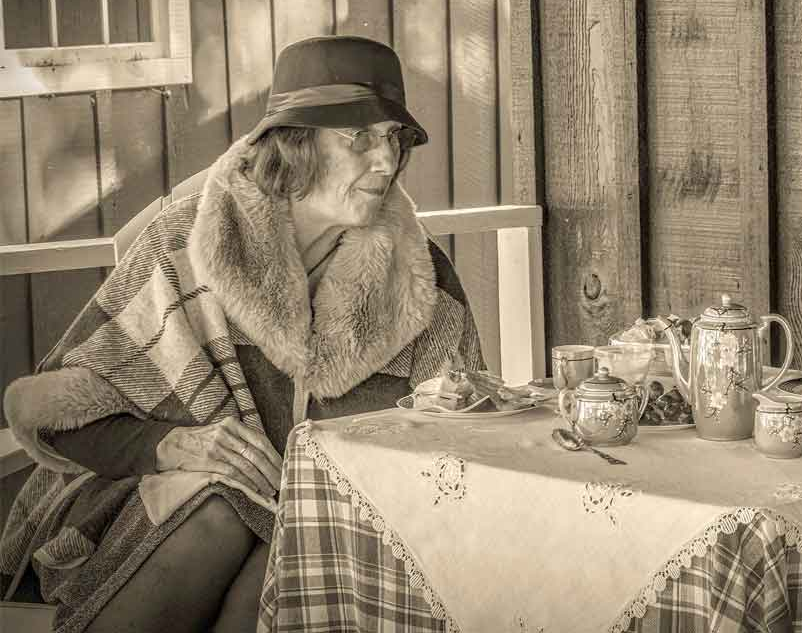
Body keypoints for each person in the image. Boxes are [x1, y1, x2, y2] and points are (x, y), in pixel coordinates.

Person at [0, 35, 487, 632]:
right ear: (296, 141)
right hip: (167, 511)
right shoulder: (188, 242)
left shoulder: (421, 282)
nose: (385, 161)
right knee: (225, 509)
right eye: (359, 138)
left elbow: (464, 436)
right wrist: (173, 445)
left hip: (340, 534)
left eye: (392, 138)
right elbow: (61, 411)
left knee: (291, 555)